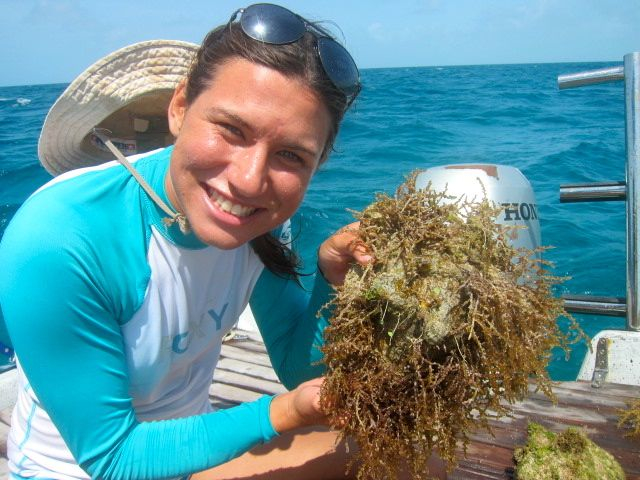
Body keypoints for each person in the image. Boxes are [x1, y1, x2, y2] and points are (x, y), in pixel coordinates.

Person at [0, 3, 377, 479]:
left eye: (290, 155)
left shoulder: (259, 221)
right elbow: (113, 459)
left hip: (189, 458)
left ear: (317, 164)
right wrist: (286, 411)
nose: (249, 180)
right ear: (180, 107)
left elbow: (298, 370)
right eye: (232, 130)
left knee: (417, 461)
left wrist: (331, 280)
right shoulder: (60, 237)